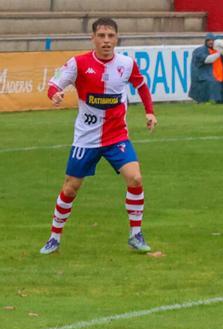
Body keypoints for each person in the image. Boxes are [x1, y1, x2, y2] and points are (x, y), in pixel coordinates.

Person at [39, 17, 156, 255]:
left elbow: (141, 86)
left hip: (117, 137)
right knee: (70, 188)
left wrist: (150, 112)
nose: (106, 41)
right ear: (92, 38)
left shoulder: (127, 64)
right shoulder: (78, 63)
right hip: (86, 139)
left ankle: (136, 235)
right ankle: (54, 237)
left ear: (117, 38)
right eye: (101, 36)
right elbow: (54, 83)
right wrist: (55, 95)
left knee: (135, 178)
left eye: (110, 36)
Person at [189, 33, 223, 104]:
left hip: (220, 73)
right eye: (209, 40)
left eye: (212, 40)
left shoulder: (218, 49)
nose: (211, 42)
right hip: (204, 73)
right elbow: (208, 60)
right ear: (206, 41)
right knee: (212, 81)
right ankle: (203, 100)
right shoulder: (199, 50)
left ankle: (222, 100)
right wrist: (220, 53)